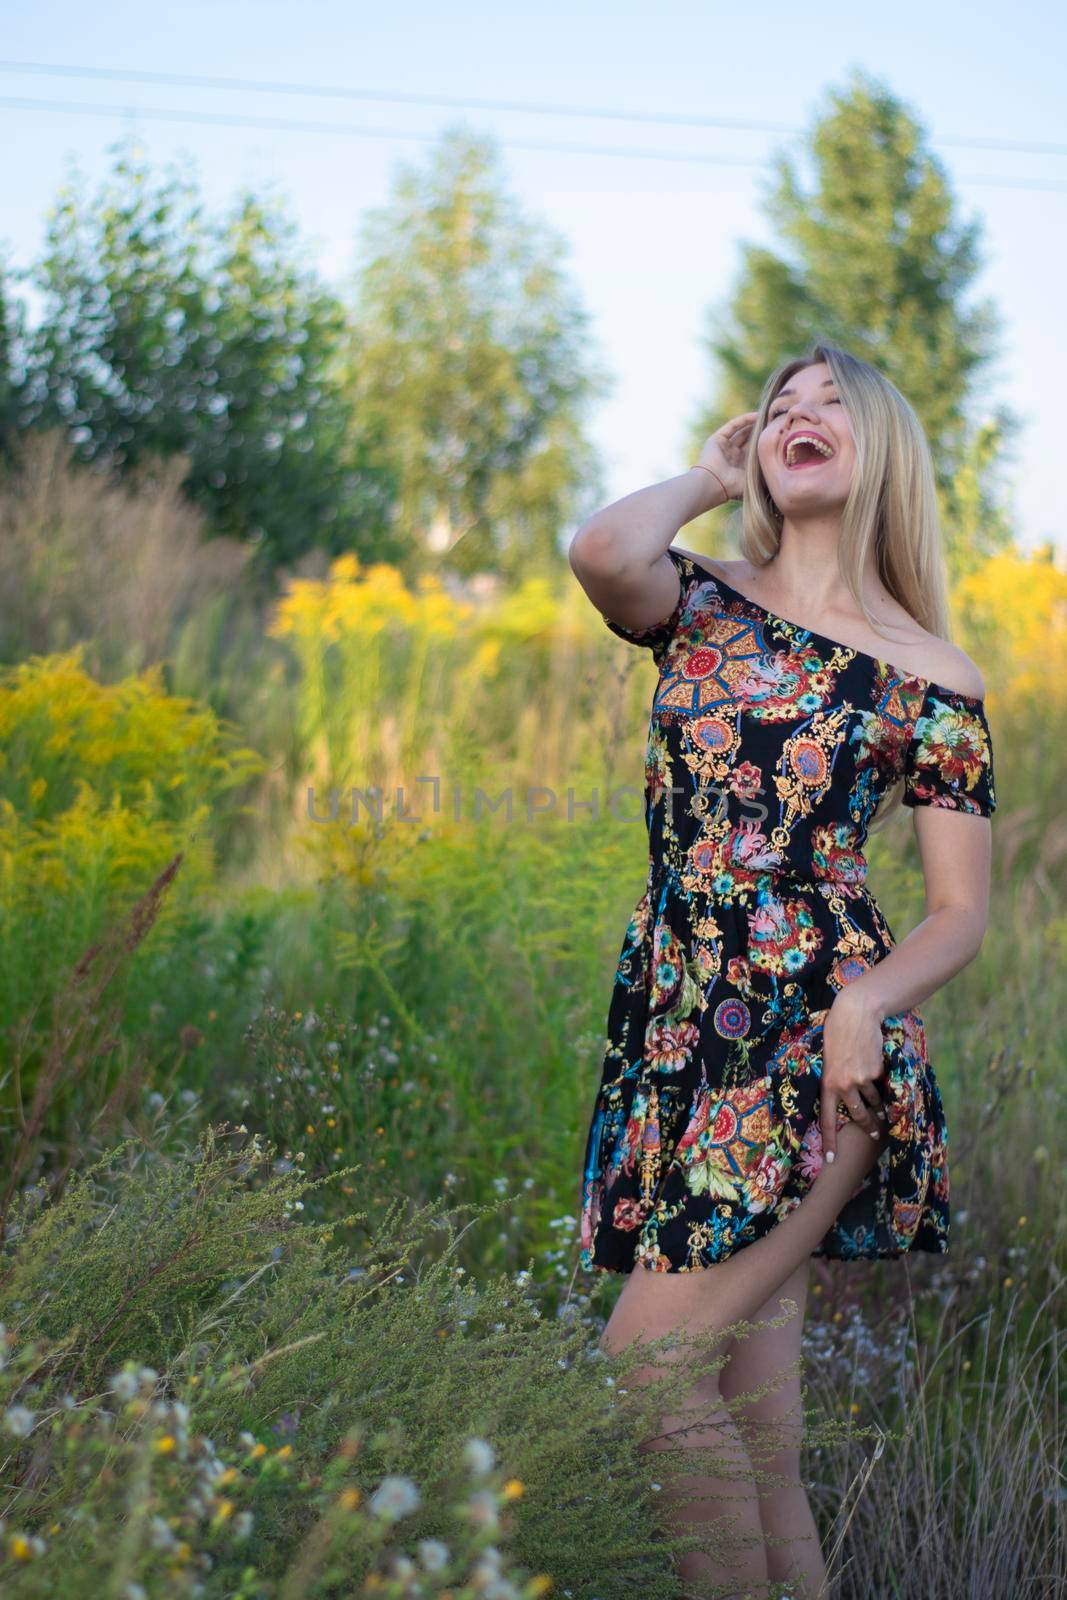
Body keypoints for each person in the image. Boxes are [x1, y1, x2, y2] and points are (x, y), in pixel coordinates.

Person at [568, 343, 997, 1598]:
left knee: (649, 1372)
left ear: (880, 454)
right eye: (775, 410)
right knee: (758, 1446)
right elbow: (600, 550)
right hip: (677, 1028)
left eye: (828, 409)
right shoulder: (694, 596)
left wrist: (866, 1004)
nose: (794, 419)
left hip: (816, 1049)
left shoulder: (933, 674)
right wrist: (705, 478)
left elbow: (960, 912)